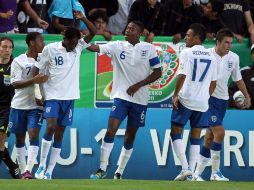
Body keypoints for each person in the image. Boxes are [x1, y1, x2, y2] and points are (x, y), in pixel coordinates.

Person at [88, 20, 162, 179]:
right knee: (111, 129)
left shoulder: (148, 49)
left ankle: (119, 171)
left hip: (140, 100)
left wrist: (138, 85)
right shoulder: (116, 45)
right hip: (121, 97)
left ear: (140, 33)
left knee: (130, 135)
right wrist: (81, 41)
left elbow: (158, 72)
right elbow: (94, 47)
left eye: (132, 29)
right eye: (127, 27)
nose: (127, 30)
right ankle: (102, 169)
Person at [34, 11, 96, 180]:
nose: (73, 46)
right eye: (71, 42)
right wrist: (37, 91)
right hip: (52, 95)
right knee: (51, 127)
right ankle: (40, 167)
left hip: (69, 98)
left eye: (76, 42)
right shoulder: (50, 49)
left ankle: (49, 171)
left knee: (60, 134)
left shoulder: (78, 46)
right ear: (65, 39)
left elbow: (94, 31)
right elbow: (37, 70)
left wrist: (82, 17)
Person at [193, 28, 251, 181]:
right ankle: (215, 173)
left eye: (230, 43)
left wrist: (247, 96)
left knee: (209, 139)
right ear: (217, 42)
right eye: (226, 42)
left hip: (222, 101)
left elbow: (238, 79)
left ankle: (196, 174)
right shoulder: (206, 55)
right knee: (220, 133)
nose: (228, 46)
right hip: (208, 100)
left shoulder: (234, 58)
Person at [170, 23, 217, 181]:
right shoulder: (212, 55)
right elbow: (213, 83)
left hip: (186, 98)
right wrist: (205, 96)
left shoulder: (187, 52)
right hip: (202, 102)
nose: (185, 37)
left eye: (188, 35)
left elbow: (181, 75)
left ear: (197, 38)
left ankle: (185, 168)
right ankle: (192, 175)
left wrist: (176, 94)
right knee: (196, 136)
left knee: (175, 132)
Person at [8, 32, 48, 179]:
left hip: (36, 106)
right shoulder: (19, 61)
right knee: (19, 139)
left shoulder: (45, 60)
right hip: (19, 105)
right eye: (40, 41)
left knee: (33, 134)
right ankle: (23, 170)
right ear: (32, 43)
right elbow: (15, 84)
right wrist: (34, 80)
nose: (43, 44)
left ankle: (28, 171)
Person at [0, 37, 21, 179]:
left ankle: (14, 169)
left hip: (8, 109)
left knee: (0, 142)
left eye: (9, 48)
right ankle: (14, 168)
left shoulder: (15, 66)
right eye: (4, 47)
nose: (7, 50)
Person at [228, 44, 254, 109]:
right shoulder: (244, 72)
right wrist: (233, 102)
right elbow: (230, 91)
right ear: (252, 55)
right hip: (247, 114)